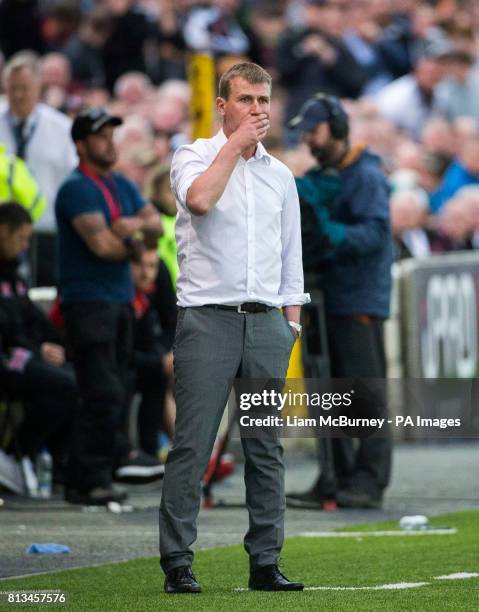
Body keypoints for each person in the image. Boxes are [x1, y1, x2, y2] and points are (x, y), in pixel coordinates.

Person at [159, 62, 309, 593]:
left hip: (267, 323)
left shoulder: (280, 175)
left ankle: (265, 563)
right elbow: (200, 201)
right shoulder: (193, 156)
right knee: (193, 444)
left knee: (265, 448)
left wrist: (290, 323)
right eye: (246, 100)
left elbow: (292, 257)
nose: (258, 110)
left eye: (264, 100)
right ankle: (178, 562)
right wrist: (233, 147)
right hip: (208, 320)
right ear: (222, 105)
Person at [287, 93, 393, 509]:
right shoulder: (327, 174)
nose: (308, 141)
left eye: (313, 132)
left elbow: (375, 235)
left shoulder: (365, 176)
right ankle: (335, 475)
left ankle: (368, 482)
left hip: (358, 301)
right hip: (327, 298)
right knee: (326, 394)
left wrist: (330, 233)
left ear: (336, 128)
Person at [55, 107, 163, 506]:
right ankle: (86, 478)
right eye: (101, 136)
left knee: (114, 389)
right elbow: (100, 246)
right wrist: (134, 242)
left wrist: (129, 231)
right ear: (81, 144)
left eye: (112, 135)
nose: (110, 143)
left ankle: (93, 474)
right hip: (89, 303)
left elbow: (154, 223)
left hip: (117, 302)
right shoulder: (76, 189)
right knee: (100, 391)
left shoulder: (120, 184)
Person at [0, 203, 75, 474]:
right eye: (21, 238)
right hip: (8, 356)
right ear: (3, 232)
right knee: (64, 386)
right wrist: (36, 349)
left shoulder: (14, 273)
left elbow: (32, 317)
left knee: (76, 378)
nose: (24, 246)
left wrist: (60, 345)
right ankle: (16, 454)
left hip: (22, 352)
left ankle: (56, 464)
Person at [0, 51, 77, 285]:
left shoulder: (62, 128)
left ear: (38, 86)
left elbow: (70, 181)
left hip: (47, 234)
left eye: (24, 88)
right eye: (12, 88)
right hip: (2, 236)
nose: (18, 95)